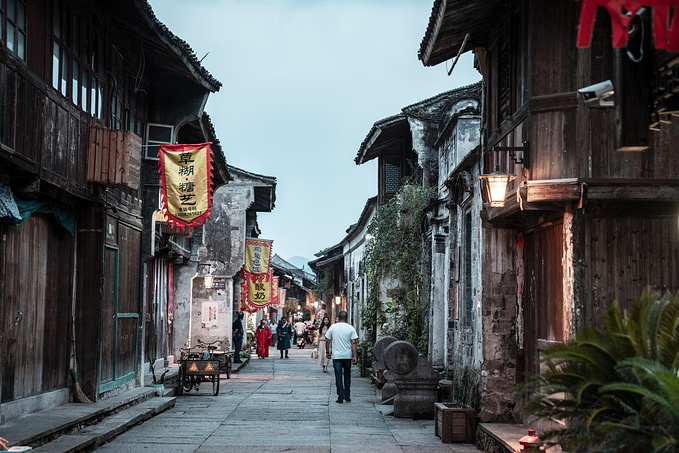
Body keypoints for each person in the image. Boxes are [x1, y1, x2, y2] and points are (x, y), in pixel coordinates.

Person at [325, 311, 358, 403]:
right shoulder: (350, 328)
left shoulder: (333, 327)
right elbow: (354, 342)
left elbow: (327, 340)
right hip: (347, 356)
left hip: (337, 356)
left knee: (338, 376)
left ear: (338, 318)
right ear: (347, 318)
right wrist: (355, 355)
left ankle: (340, 396)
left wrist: (327, 352)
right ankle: (347, 395)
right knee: (347, 375)